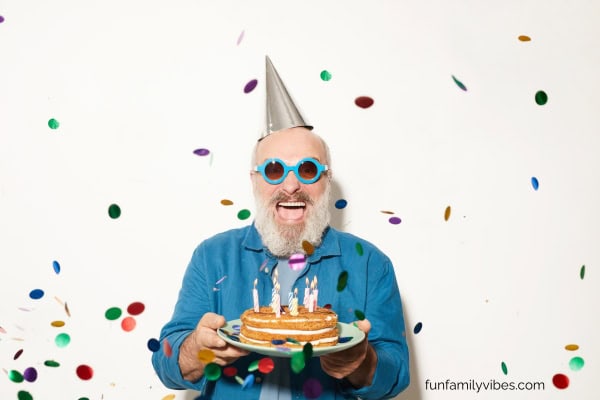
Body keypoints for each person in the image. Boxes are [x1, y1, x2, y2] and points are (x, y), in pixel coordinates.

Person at [152, 56, 410, 399]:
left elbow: (397, 376)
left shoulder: (369, 263)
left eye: (307, 170)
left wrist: (362, 362)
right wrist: (198, 348)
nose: (291, 186)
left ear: (327, 181)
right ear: (255, 181)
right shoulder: (213, 257)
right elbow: (168, 364)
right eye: (274, 170)